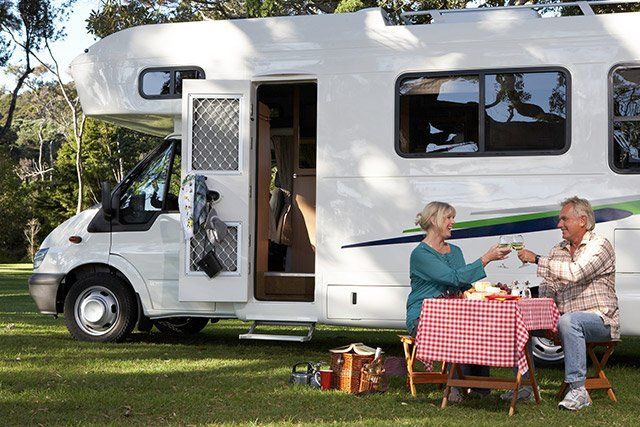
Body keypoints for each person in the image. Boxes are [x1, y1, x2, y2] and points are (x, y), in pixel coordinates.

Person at [517, 196, 619, 411]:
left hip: (601, 320)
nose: (559, 224)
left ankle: (578, 390)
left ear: (582, 220)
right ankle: (525, 385)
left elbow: (576, 273)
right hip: (564, 320)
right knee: (519, 321)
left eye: (564, 219)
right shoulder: (558, 250)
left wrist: (536, 259)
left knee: (569, 321)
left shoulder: (600, 245)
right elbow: (549, 289)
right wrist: (539, 312)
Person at [406, 201, 511, 402]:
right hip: (423, 316)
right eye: (449, 218)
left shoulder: (455, 251)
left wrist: (494, 290)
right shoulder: (420, 254)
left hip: (455, 314)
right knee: (457, 329)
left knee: (481, 327)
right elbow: (452, 277)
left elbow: (463, 285)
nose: (453, 222)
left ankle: (480, 389)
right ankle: (455, 388)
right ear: (435, 221)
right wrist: (485, 259)